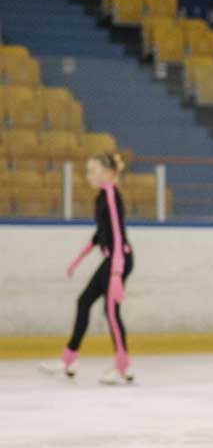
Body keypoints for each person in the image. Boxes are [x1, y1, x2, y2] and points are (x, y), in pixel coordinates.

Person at [39, 152, 135, 385]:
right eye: (88, 171)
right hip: (112, 260)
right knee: (84, 302)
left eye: (93, 171)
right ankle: (68, 360)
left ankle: (123, 367)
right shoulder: (102, 197)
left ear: (109, 174)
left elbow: (117, 233)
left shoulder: (111, 195)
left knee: (111, 312)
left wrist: (116, 274)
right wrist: (78, 260)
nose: (88, 175)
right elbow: (100, 234)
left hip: (118, 260)